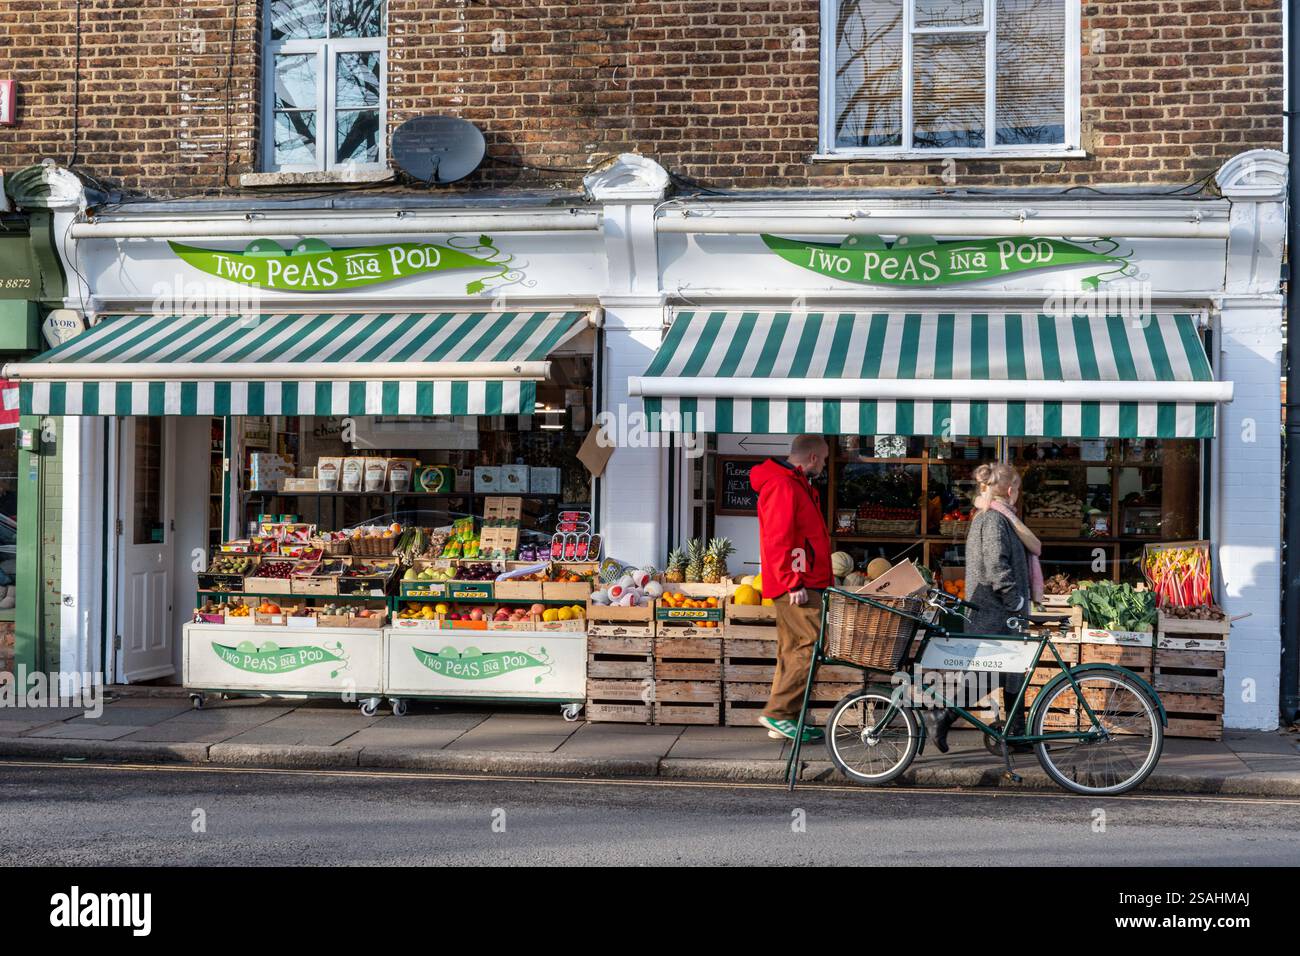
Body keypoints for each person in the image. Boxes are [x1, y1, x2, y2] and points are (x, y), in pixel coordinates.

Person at [928, 462, 1044, 753]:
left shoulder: (1000, 518)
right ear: (1010, 489)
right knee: (987, 674)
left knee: (1013, 671)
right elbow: (995, 566)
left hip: (1001, 613)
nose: (1018, 493)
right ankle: (942, 717)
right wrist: (1015, 599)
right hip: (993, 612)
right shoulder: (993, 520)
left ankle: (1016, 731)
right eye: (1017, 488)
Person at [749, 434, 834, 742]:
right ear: (812, 458)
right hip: (799, 584)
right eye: (823, 458)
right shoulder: (784, 485)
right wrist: (792, 580)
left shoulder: (793, 483)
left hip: (802, 580)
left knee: (793, 648)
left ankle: (786, 718)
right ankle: (779, 713)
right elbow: (778, 538)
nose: (824, 464)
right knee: (809, 646)